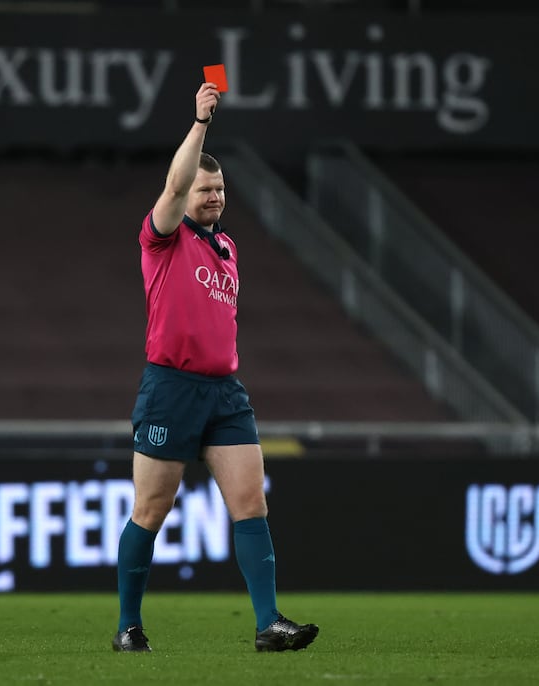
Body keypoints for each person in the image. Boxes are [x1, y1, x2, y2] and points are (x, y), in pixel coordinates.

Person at [112, 82, 319, 654]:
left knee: (251, 504)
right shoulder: (163, 238)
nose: (213, 196)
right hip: (171, 387)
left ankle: (268, 624)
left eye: (220, 188)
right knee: (151, 510)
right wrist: (200, 122)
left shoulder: (226, 247)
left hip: (225, 391)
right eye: (206, 188)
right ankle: (129, 627)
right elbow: (175, 184)